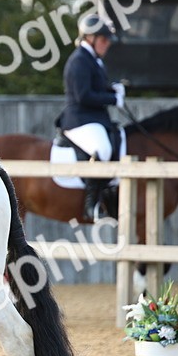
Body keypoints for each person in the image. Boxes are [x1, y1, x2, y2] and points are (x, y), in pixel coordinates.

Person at [56, 12, 125, 222]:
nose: (107, 44)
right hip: (79, 119)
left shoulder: (93, 60)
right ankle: (91, 204)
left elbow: (96, 87)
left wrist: (112, 89)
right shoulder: (79, 61)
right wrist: (113, 99)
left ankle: (108, 196)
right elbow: (84, 95)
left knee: (118, 139)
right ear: (90, 38)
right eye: (103, 40)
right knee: (102, 149)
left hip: (94, 118)